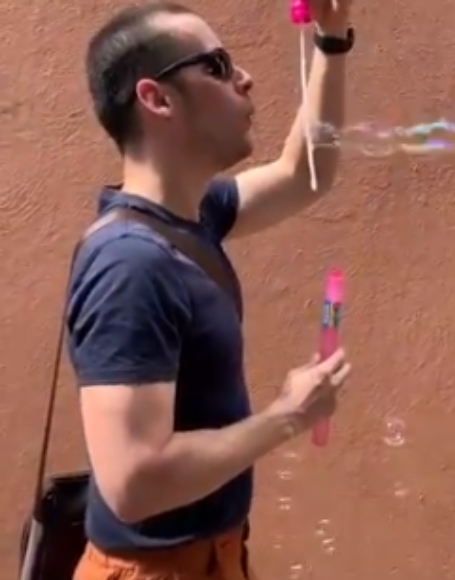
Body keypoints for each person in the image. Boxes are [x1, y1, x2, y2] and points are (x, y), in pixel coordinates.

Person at [67, 2, 357, 579]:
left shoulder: (190, 216)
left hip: (210, 557)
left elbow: (306, 175)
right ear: (156, 98)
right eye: (218, 65)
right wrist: (288, 415)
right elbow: (133, 483)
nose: (244, 78)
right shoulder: (132, 265)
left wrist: (331, 40)